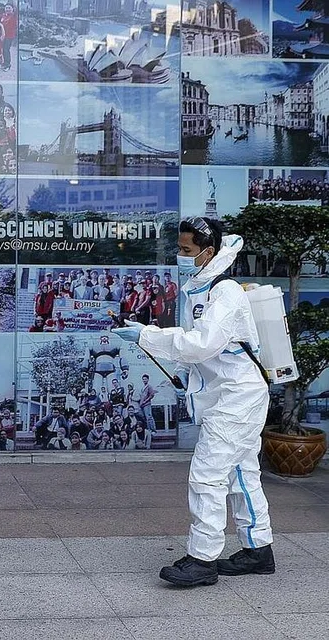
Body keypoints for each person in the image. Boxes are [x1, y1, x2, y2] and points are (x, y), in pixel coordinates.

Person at [113, 217, 275, 588]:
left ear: (209, 251)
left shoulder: (225, 292)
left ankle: (203, 559)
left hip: (238, 397)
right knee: (241, 474)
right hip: (231, 394)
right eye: (179, 248)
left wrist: (147, 336)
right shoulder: (200, 287)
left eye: (187, 250)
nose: (180, 255)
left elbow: (202, 344)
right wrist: (177, 367)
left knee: (207, 475)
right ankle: (258, 549)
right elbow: (197, 345)